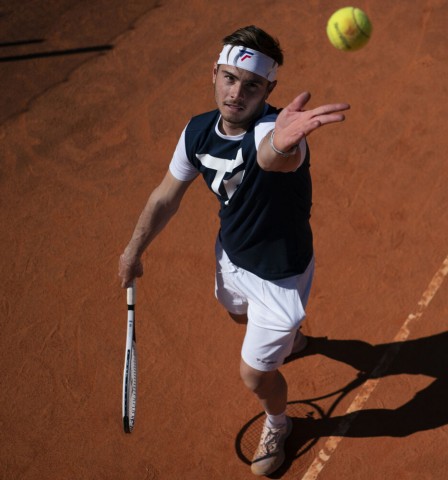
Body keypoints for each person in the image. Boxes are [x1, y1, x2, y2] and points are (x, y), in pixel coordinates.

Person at [118, 25, 349, 476]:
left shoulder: (279, 131)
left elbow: (270, 155)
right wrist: (133, 250)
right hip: (232, 256)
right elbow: (166, 195)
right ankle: (295, 342)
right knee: (234, 312)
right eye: (229, 78)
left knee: (254, 375)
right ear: (214, 74)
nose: (236, 93)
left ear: (269, 90)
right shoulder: (198, 131)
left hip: (280, 276)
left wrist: (283, 141)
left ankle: (279, 423)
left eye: (252, 86)